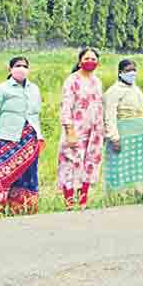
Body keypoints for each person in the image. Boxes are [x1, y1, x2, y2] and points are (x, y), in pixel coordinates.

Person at [0, 56, 44, 215]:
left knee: (27, 175)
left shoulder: (34, 89)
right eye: (18, 65)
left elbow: (35, 115)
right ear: (10, 69)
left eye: (25, 66)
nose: (21, 69)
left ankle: (22, 209)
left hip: (29, 140)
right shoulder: (1, 89)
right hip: (6, 139)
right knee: (1, 174)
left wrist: (39, 136)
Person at [58, 47, 105, 209]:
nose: (90, 62)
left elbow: (99, 106)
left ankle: (83, 201)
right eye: (87, 59)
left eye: (93, 59)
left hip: (95, 131)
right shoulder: (72, 80)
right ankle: (69, 202)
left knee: (90, 164)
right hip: (76, 130)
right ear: (80, 62)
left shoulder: (97, 81)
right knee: (71, 164)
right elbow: (66, 107)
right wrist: (69, 131)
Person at [102, 59, 143, 193]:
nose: (132, 73)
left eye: (134, 70)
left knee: (138, 165)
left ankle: (139, 190)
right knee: (121, 164)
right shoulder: (114, 91)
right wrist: (114, 137)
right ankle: (119, 194)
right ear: (120, 72)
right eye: (128, 70)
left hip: (141, 134)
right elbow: (109, 115)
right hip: (124, 133)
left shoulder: (135, 89)